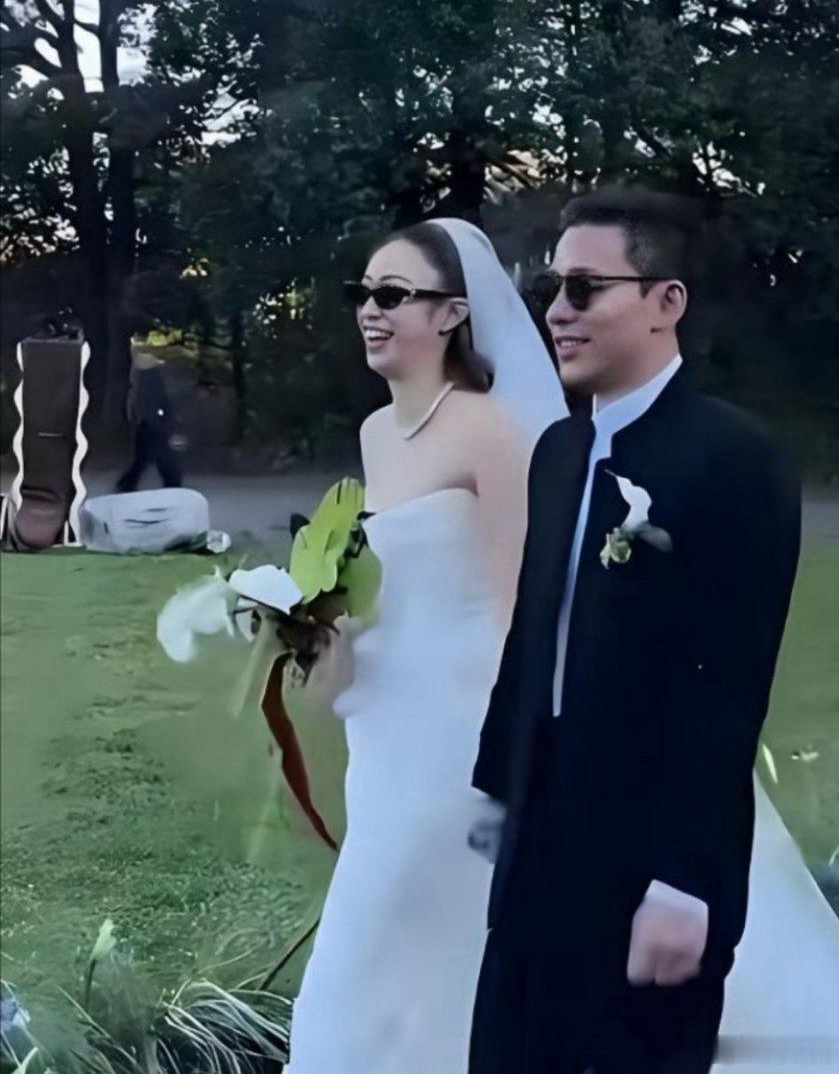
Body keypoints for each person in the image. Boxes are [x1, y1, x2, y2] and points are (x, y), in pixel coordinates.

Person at [468, 187, 799, 1073]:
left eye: (585, 288)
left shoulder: (734, 459)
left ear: (666, 301)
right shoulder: (558, 453)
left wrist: (687, 878)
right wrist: (497, 789)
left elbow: (731, 686)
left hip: (650, 850)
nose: (557, 311)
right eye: (552, 288)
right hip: (538, 843)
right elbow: (535, 637)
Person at [283, 219, 568, 1073]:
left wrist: (523, 749)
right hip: (383, 731)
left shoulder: (490, 430)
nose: (370, 311)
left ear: (452, 314)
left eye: (393, 295)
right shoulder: (377, 433)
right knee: (405, 942)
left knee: (383, 939)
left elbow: (527, 603)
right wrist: (312, 625)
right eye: (363, 294)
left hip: (459, 733)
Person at [116, 346, 183, 493]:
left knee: (145, 458)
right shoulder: (152, 379)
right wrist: (163, 418)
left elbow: (143, 402)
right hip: (153, 423)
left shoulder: (140, 379)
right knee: (157, 456)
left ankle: (127, 483)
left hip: (146, 423)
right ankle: (172, 482)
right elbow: (159, 400)